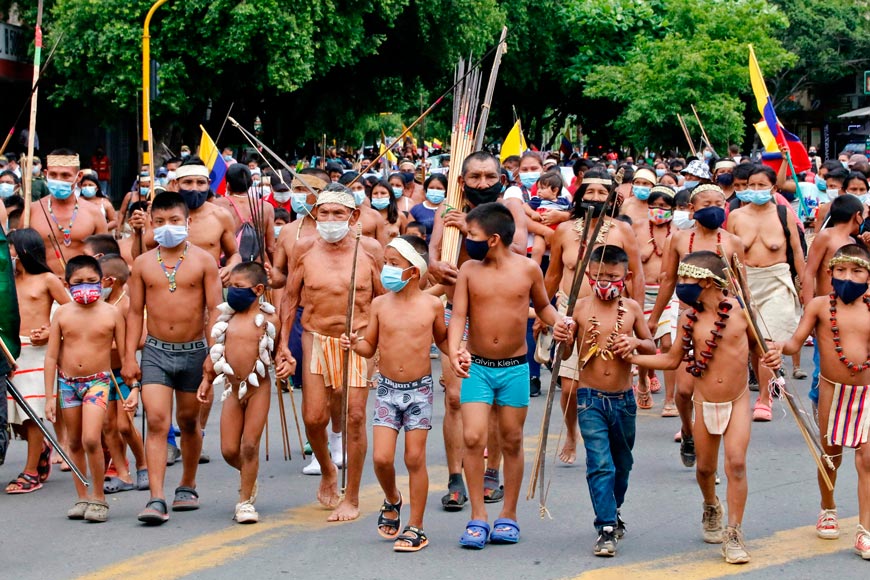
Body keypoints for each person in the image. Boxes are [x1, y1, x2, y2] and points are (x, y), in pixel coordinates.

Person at [628, 251, 782, 565]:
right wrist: (632, 357)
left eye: (686, 279)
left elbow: (761, 351)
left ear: (709, 282)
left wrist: (773, 361)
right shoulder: (688, 317)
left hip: (738, 400)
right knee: (704, 469)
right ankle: (711, 505)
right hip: (704, 401)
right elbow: (671, 360)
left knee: (736, 464)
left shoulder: (742, 313)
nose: (680, 286)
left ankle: (735, 532)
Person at [448, 202, 568, 549]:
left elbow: (543, 306)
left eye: (472, 234)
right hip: (478, 368)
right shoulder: (469, 270)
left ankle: (509, 515)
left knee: (512, 440)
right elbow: (458, 316)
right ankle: (477, 516)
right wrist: (457, 349)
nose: (467, 239)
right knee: (473, 438)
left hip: (515, 369)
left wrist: (561, 323)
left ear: (494, 239)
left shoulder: (529, 269)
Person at [428, 151, 528, 510]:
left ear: (501, 177)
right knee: (455, 397)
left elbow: (518, 249)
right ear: (462, 181)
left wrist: (471, 225)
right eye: (475, 178)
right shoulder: (446, 209)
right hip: (458, 312)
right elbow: (435, 255)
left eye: (490, 176)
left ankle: (492, 471)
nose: (483, 184)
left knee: (499, 405)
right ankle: (456, 475)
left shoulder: (509, 209)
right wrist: (437, 269)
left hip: (498, 316)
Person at [277, 185, 383, 520]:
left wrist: (383, 345)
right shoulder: (304, 249)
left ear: (353, 217)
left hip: (358, 337)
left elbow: (382, 297)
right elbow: (290, 299)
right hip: (315, 336)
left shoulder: (370, 249)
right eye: (324, 213)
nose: (330, 220)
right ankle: (327, 468)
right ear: (315, 215)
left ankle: (351, 496)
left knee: (355, 416)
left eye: (338, 213)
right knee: (313, 418)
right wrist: (283, 344)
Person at [122, 191, 223, 525]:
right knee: (157, 422)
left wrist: (213, 355)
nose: (168, 227)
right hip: (155, 352)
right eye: (161, 222)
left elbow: (215, 312)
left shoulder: (205, 262)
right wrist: (128, 356)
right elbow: (135, 313)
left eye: (175, 221)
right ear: (151, 225)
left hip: (195, 352)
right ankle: (156, 497)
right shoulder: (142, 264)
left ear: (187, 223)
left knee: (189, 423)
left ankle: (188, 484)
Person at [341, 235, 446, 552]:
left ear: (413, 272)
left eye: (393, 264)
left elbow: (443, 342)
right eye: (385, 263)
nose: (386, 270)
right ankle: (392, 498)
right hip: (387, 390)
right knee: (382, 458)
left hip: (419, 392)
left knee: (414, 458)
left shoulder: (432, 305)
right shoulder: (379, 305)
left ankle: (416, 527)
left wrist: (459, 355)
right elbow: (368, 346)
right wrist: (353, 345)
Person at [558, 245, 656, 556]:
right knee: (600, 464)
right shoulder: (579, 308)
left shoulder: (633, 310)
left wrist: (636, 342)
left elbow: (652, 348)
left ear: (625, 277)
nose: (605, 282)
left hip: (623, 400)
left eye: (612, 277)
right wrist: (562, 339)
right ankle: (606, 526)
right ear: (588, 276)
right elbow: (564, 354)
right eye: (599, 276)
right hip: (589, 399)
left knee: (622, 464)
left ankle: (614, 509)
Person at [544, 169, 644, 464]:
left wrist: (637, 319)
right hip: (570, 311)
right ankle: (572, 436)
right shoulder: (564, 231)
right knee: (568, 384)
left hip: (614, 313)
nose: (596, 198)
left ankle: (605, 438)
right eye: (590, 192)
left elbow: (636, 275)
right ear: (580, 195)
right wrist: (542, 311)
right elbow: (552, 276)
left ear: (611, 197)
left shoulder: (622, 230)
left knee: (608, 378)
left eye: (602, 193)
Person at [776, 244, 870, 559]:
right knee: (830, 456)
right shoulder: (818, 306)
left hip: (867, 394)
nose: (848, 277)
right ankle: (827, 508)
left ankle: (865, 530)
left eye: (857, 271)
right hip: (832, 391)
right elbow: (794, 343)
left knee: (867, 461)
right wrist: (777, 349)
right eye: (841, 270)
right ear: (829, 274)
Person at [647, 184, 745, 464]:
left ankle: (710, 452)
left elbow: (742, 287)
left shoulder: (732, 242)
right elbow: (667, 280)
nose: (713, 207)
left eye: (719, 202)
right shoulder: (678, 240)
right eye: (706, 203)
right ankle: (688, 431)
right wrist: (654, 319)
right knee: (685, 390)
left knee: (710, 386)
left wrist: (750, 326)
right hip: (687, 316)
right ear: (692, 209)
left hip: (724, 320)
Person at [198, 262, 284, 524]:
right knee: (228, 450)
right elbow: (214, 355)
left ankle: (245, 502)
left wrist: (285, 362)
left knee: (249, 445)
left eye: (239, 287)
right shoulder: (226, 318)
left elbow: (278, 351)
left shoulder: (270, 320)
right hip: (232, 390)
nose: (232, 292)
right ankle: (249, 474)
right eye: (230, 287)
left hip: (259, 388)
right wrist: (206, 379)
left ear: (258, 290)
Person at [44, 255, 126, 522]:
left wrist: (132, 387)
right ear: (67, 284)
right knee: (75, 442)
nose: (86, 286)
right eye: (78, 282)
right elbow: (51, 356)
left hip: (98, 382)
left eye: (92, 281)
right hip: (68, 384)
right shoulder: (63, 313)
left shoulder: (112, 313)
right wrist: (49, 396)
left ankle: (99, 498)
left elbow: (125, 355)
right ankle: (82, 496)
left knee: (92, 438)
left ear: (102, 282)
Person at [727, 165, 804, 422]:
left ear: (773, 188)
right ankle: (752, 390)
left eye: (762, 185)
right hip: (745, 284)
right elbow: (728, 253)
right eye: (752, 185)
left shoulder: (784, 214)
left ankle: (763, 398)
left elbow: (798, 252)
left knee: (767, 344)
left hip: (776, 281)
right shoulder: (736, 215)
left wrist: (804, 287)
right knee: (748, 343)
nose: (756, 190)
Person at [5, 229, 69, 494]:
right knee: (15, 417)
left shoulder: (47, 279)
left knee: (32, 414)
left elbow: (71, 311)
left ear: (24, 251)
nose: (6, 255)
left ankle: (31, 472)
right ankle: (41, 447)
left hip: (38, 354)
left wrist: (51, 331)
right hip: (9, 352)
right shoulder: (5, 281)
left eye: (9, 250)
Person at [799, 195, 864, 410]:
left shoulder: (855, 243)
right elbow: (809, 273)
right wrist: (809, 308)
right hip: (827, 312)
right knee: (822, 367)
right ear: (857, 216)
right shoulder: (826, 237)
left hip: (853, 314)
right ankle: (822, 410)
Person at [97, 253, 148, 493]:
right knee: (107, 425)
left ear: (110, 281)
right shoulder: (96, 306)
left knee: (124, 425)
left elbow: (141, 339)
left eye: (96, 280)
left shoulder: (127, 305)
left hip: (123, 372)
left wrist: (111, 344)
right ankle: (122, 472)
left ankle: (143, 464)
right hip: (101, 373)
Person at [29, 149, 109, 275]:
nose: (59, 180)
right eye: (53, 175)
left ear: (79, 177)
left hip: (82, 287)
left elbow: (106, 257)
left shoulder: (93, 212)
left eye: (65, 175)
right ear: (46, 174)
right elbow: (20, 255)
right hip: (42, 288)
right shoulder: (32, 210)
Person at [637, 185, 678, 414]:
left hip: (670, 295)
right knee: (646, 345)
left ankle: (670, 400)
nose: (657, 210)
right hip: (643, 295)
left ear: (671, 209)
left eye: (663, 206)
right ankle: (643, 381)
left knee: (668, 345)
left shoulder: (678, 233)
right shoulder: (637, 229)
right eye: (653, 206)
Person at [526, 171, 571, 265]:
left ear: (555, 190)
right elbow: (524, 206)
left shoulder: (564, 202)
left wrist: (563, 215)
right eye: (538, 188)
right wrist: (532, 213)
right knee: (537, 250)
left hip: (559, 233)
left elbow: (573, 213)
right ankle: (533, 270)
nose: (538, 191)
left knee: (558, 254)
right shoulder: (537, 201)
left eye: (542, 188)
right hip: (541, 232)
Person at [409, 174, 447, 243]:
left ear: (446, 190)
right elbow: (410, 234)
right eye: (431, 188)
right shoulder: (416, 210)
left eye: (439, 188)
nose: (435, 191)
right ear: (426, 189)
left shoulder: (450, 208)